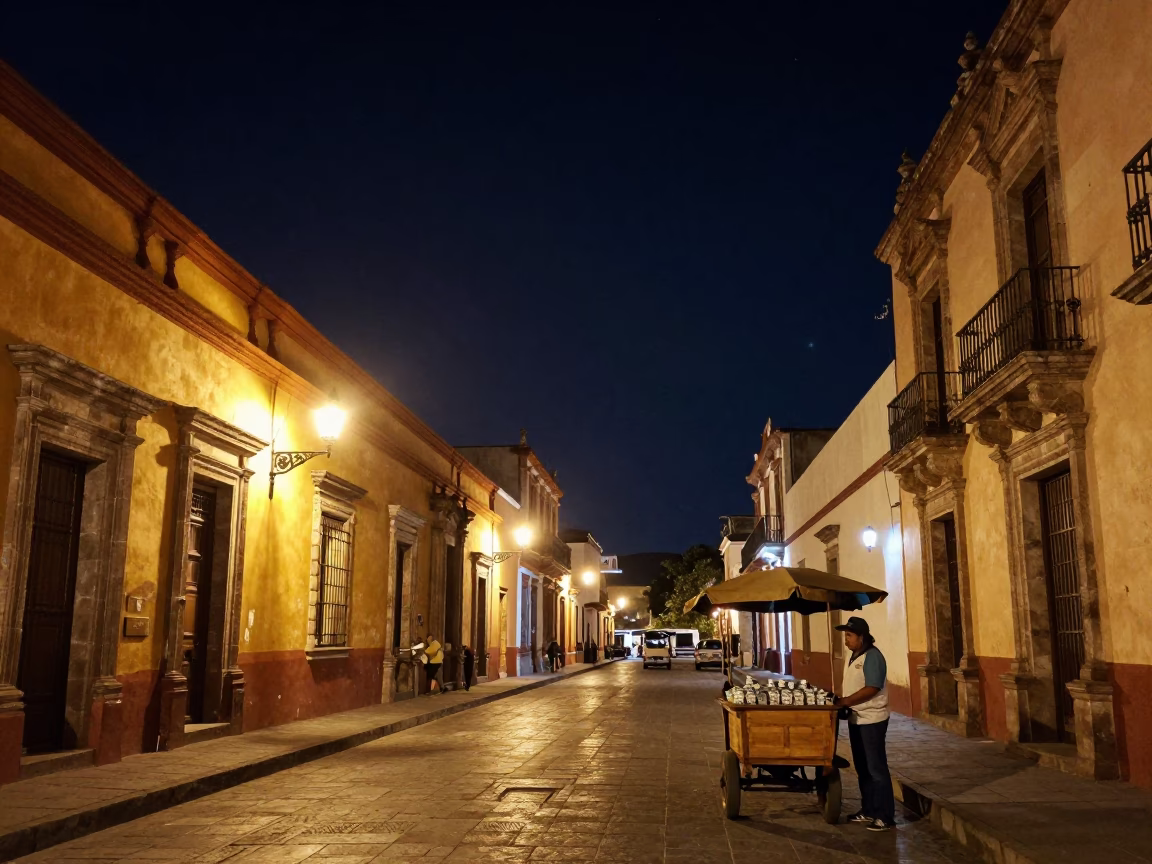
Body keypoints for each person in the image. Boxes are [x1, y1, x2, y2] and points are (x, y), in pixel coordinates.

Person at [833, 616, 895, 832]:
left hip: (872, 720)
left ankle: (885, 815)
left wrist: (846, 701)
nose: (846, 640)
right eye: (845, 635)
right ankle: (868, 809)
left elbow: (873, 687)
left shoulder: (873, 657)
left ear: (862, 637)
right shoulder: (855, 657)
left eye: (849, 635)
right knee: (862, 767)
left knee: (876, 768)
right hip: (857, 718)